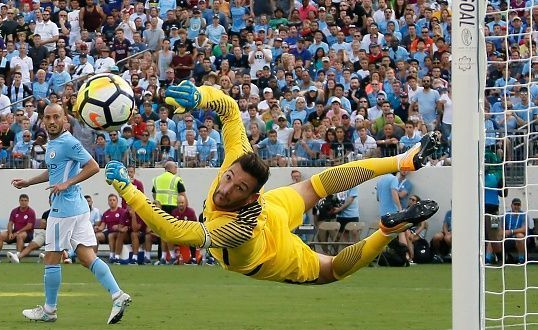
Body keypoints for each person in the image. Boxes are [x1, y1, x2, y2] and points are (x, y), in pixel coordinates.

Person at [105, 82, 440, 285]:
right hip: (272, 208)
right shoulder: (237, 160)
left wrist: (128, 190)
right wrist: (201, 97)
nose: (226, 188)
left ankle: (385, 231)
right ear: (230, 167)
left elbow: (174, 231)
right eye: (229, 177)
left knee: (331, 271)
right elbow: (231, 110)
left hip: (271, 252)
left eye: (237, 189)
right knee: (317, 185)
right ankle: (403, 161)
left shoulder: (237, 229)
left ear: (251, 196)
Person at [10, 103, 131, 324]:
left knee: (51, 258)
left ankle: (49, 310)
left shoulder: (67, 141)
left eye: (57, 117)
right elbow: (54, 170)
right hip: (77, 209)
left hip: (63, 210)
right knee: (87, 257)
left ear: (65, 120)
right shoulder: (55, 143)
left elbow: (93, 166)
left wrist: (67, 183)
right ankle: (117, 295)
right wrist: (29, 182)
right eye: (48, 118)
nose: (52, 121)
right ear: (43, 120)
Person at [151, 161, 186, 264]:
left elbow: (154, 194)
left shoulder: (157, 179)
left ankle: (161, 257)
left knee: (162, 233)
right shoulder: (176, 179)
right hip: (173, 209)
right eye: (175, 167)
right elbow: (182, 194)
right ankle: (173, 256)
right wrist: (185, 207)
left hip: (159, 208)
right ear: (171, 168)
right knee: (170, 233)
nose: (176, 169)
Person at [0, 194, 36, 262]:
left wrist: (17, 233)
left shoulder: (31, 212)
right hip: (14, 232)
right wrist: (10, 233)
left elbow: (29, 226)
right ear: (19, 201)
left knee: (20, 236)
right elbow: (10, 223)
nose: (23, 202)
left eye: (25, 200)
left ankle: (17, 256)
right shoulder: (15, 211)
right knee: (0, 235)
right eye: (22, 200)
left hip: (27, 234)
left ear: (28, 201)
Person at [95, 194, 125, 263]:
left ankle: (113, 256)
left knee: (111, 235)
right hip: (109, 231)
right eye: (110, 200)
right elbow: (102, 226)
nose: (112, 202)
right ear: (108, 202)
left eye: (114, 200)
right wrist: (98, 228)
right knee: (97, 236)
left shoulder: (122, 211)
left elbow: (124, 224)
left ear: (117, 201)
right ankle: (94, 256)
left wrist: (118, 226)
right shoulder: (106, 213)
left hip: (120, 232)